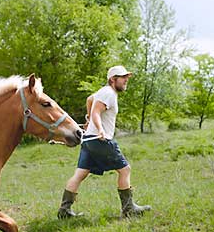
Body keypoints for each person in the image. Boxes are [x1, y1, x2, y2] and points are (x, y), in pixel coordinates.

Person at [58, 65, 151, 219]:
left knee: (80, 174)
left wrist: (88, 121)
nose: (126, 80)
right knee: (125, 170)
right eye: (123, 78)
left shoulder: (103, 92)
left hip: (88, 140)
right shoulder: (109, 93)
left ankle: (64, 211)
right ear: (113, 79)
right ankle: (129, 209)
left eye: (126, 77)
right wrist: (99, 128)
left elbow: (90, 100)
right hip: (100, 139)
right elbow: (96, 111)